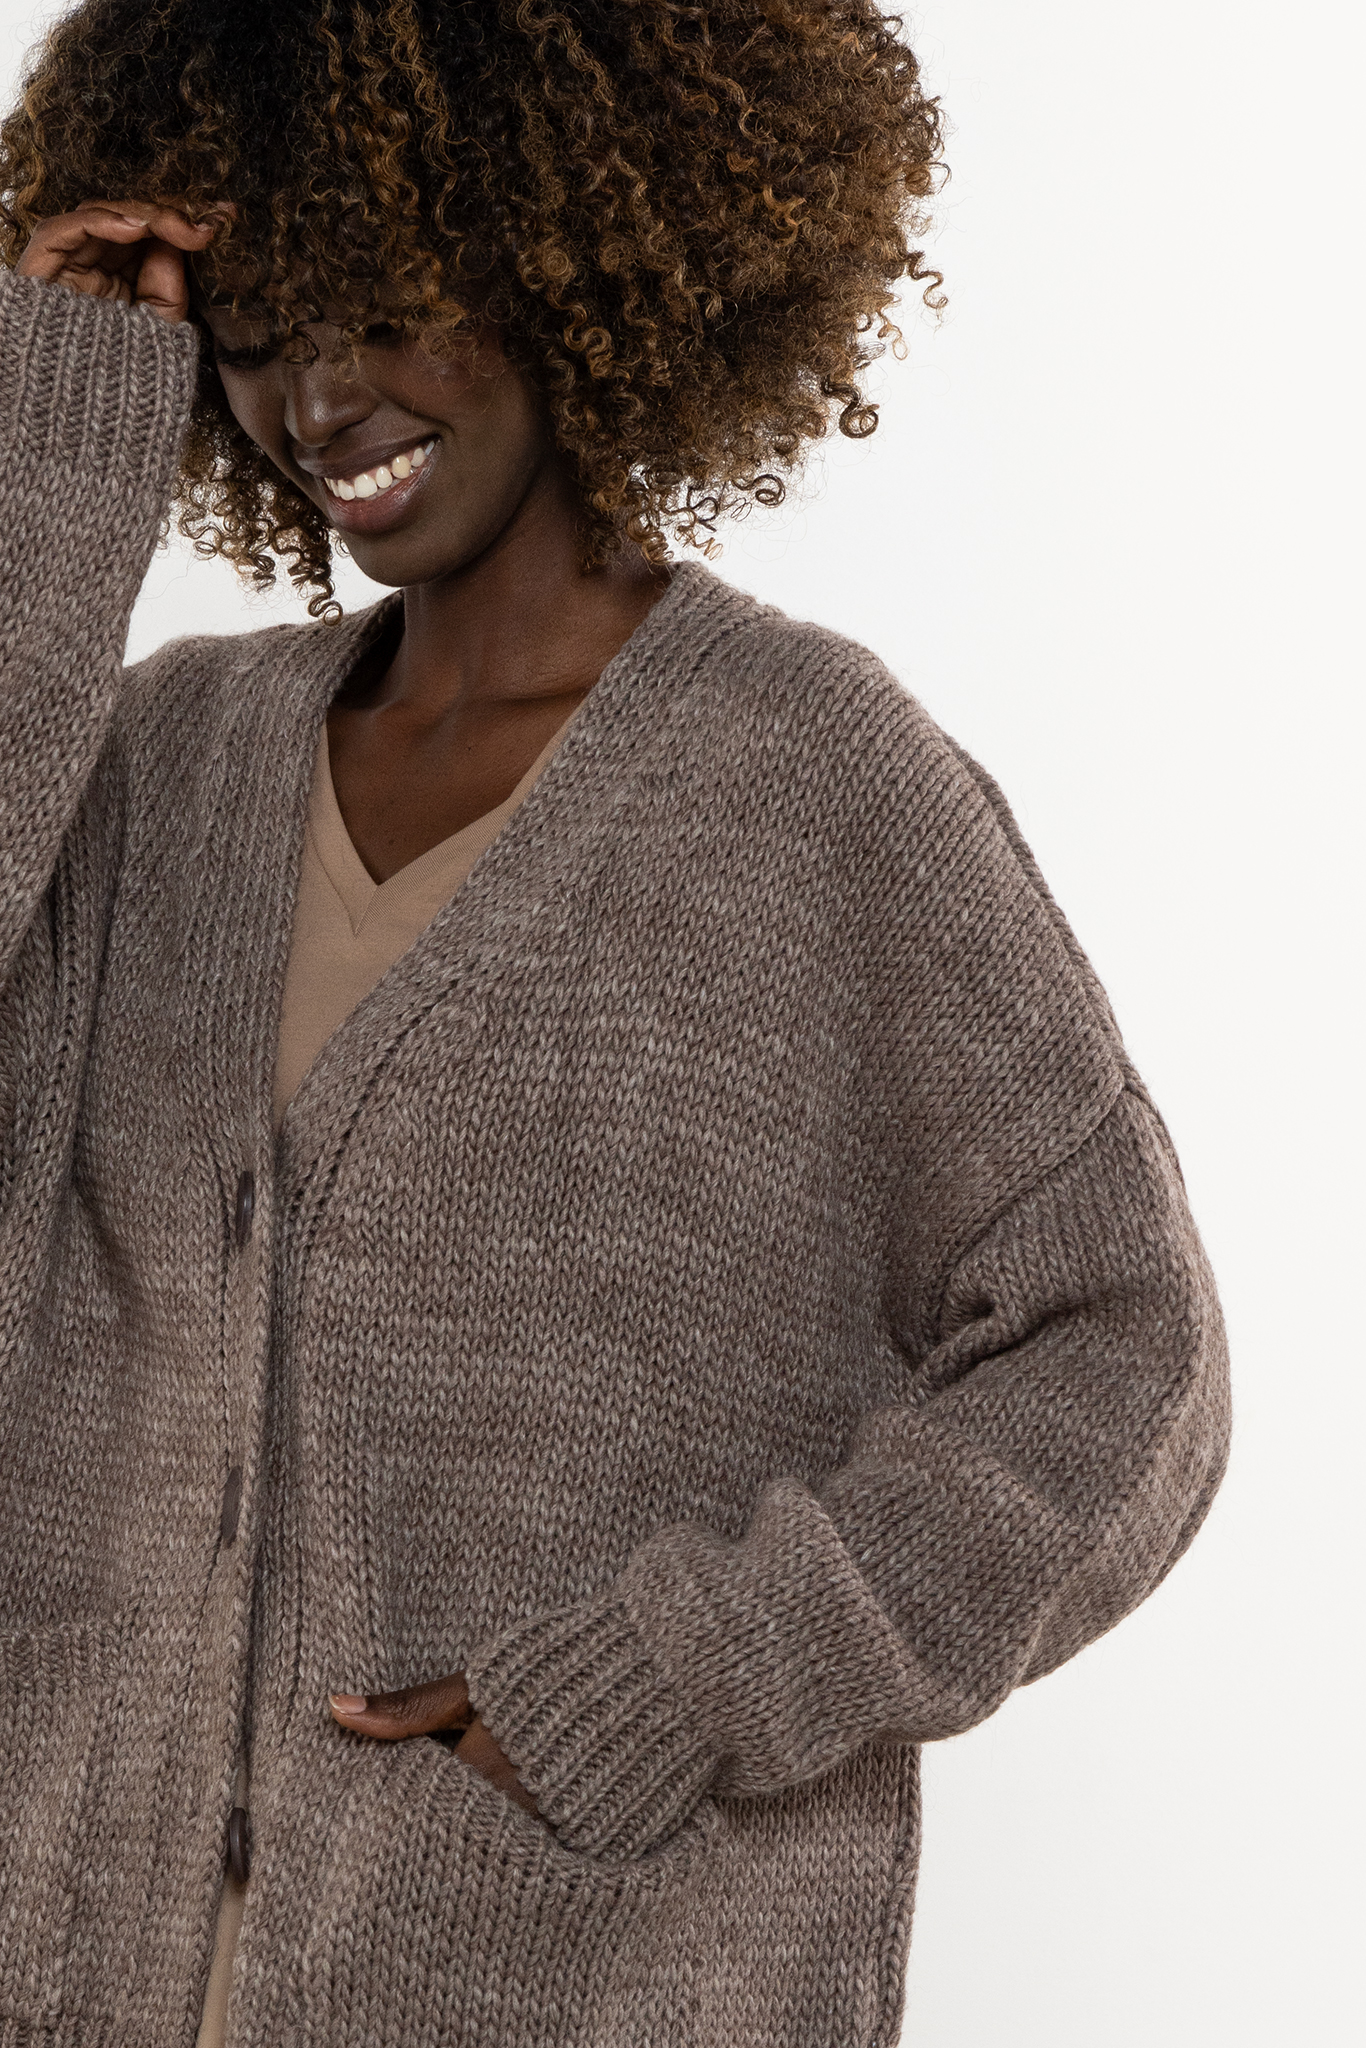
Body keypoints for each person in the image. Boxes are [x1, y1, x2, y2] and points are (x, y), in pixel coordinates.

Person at [0, 2, 1230, 2044]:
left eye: (387, 307)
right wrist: (49, 467)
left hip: (569, 1982)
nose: (321, 398)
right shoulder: (158, 762)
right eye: (263, 333)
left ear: (560, 255)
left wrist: (686, 1672)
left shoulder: (814, 785)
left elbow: (1125, 1357)